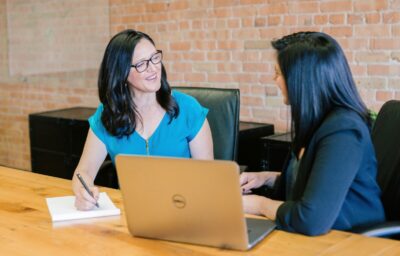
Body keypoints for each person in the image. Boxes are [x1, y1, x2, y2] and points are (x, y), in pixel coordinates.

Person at [240, 32, 385, 235]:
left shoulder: (344, 131)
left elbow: (310, 219)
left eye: (278, 73)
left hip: (352, 240)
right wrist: (267, 178)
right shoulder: (317, 121)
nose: (274, 80)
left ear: (301, 79)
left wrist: (259, 205)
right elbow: (314, 180)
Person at [72, 29, 213, 210]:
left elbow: (208, 178)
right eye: (141, 64)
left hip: (183, 210)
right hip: (131, 215)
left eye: (155, 58)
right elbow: (83, 172)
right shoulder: (107, 116)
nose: (153, 68)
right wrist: (83, 193)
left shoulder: (188, 109)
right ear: (121, 73)